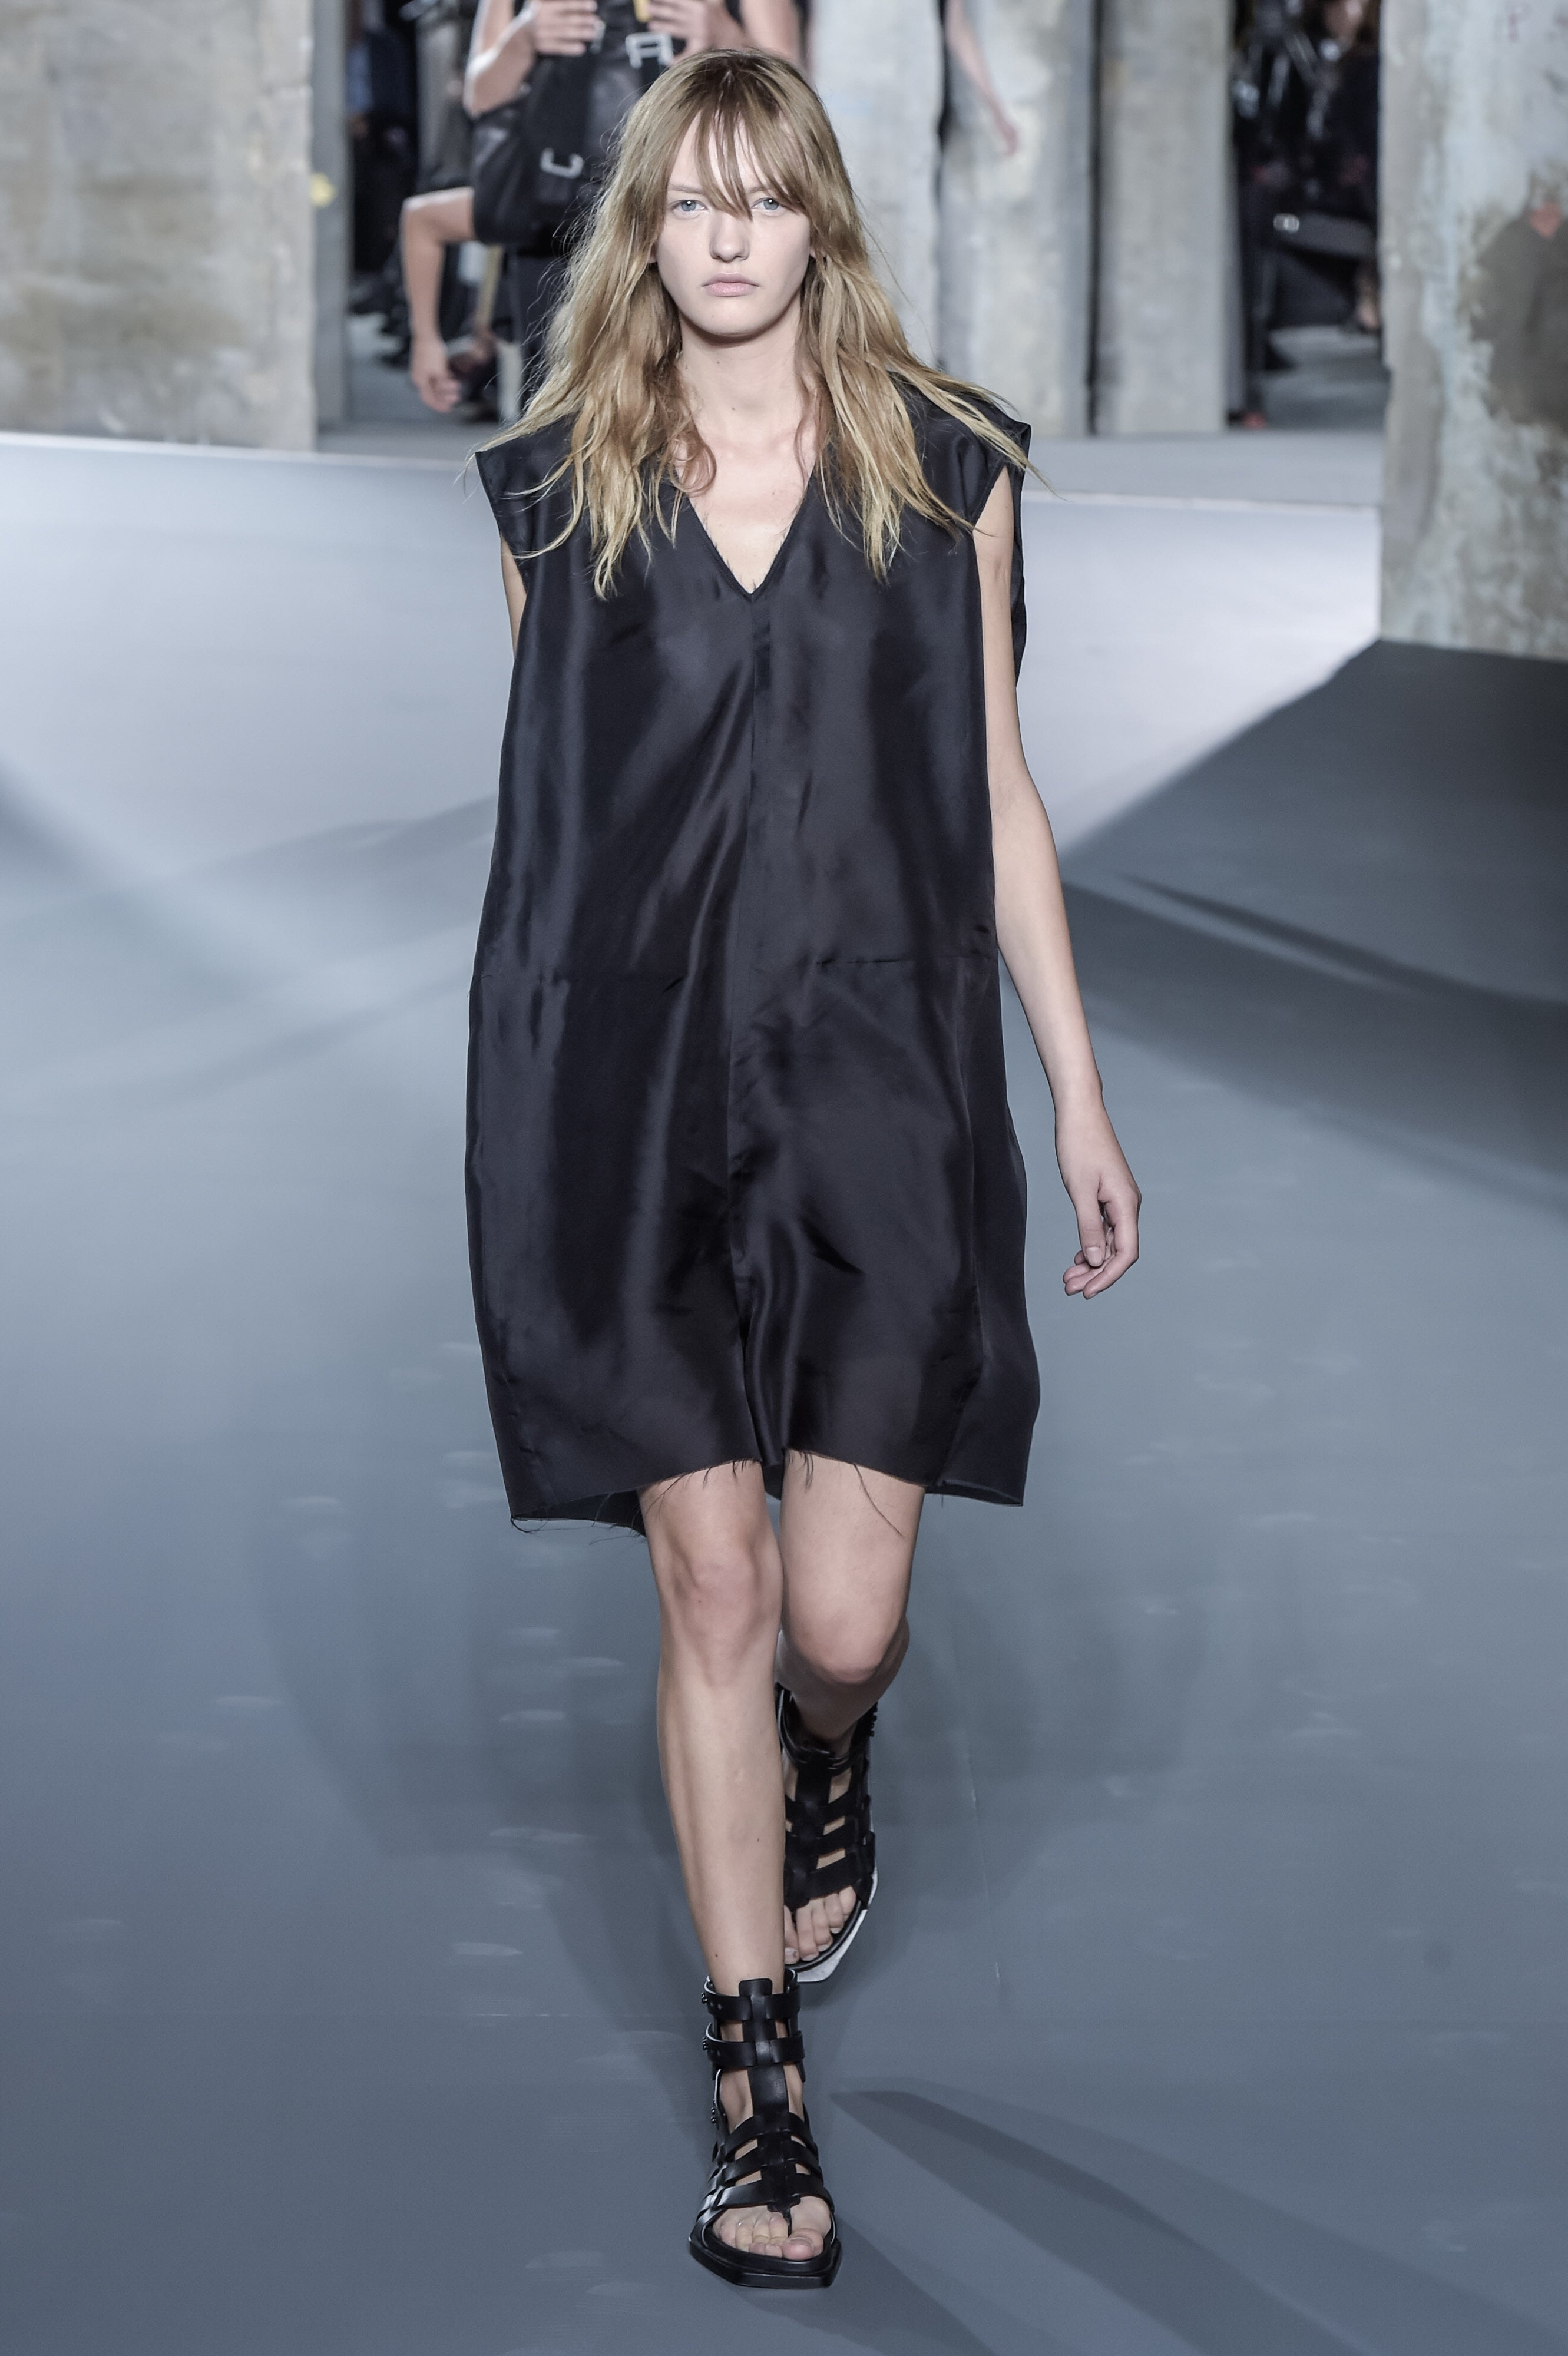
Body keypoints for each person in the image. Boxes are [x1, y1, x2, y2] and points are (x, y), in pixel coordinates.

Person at [469, 50, 1140, 2287]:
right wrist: (530, 1120)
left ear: (819, 220)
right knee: (715, 1592)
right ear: (643, 229)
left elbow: (1000, 794)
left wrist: (1075, 1090)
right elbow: (553, 838)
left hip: (882, 1086)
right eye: (690, 202)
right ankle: (757, 2092)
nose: (728, 237)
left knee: (838, 1624)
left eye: (764, 199)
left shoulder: (948, 472)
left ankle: (831, 1750)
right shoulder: (552, 489)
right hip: (631, 1091)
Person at [402, 0, 799, 412]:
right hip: (553, 224)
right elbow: (480, 99)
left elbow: (794, 98)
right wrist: (523, 39)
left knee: (682, 395)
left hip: (683, 219)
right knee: (552, 406)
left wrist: (728, 37)